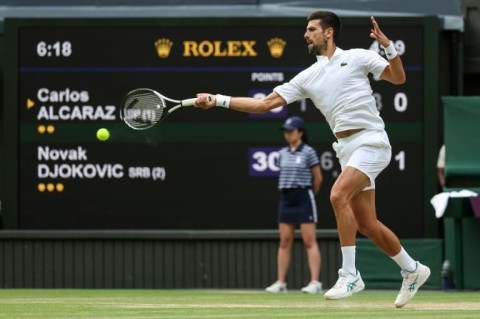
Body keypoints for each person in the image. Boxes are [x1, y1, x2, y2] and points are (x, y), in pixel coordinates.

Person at [195, 11, 430, 308]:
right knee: (367, 224)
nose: (305, 34)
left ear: (328, 32)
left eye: (311, 29)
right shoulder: (307, 76)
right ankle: (412, 269)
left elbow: (398, 77)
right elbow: (264, 104)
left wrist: (389, 47)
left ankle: (350, 274)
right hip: (346, 149)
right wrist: (218, 100)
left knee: (338, 194)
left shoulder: (357, 57)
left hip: (372, 140)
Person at [265, 116, 323, 294]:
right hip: (286, 198)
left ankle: (315, 282)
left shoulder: (309, 152)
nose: (288, 134)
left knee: (309, 241)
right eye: (286, 132)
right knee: (284, 241)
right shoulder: (282, 153)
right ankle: (281, 283)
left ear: (300, 132)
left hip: (304, 196)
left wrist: (308, 195)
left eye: (291, 131)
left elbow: (318, 178)